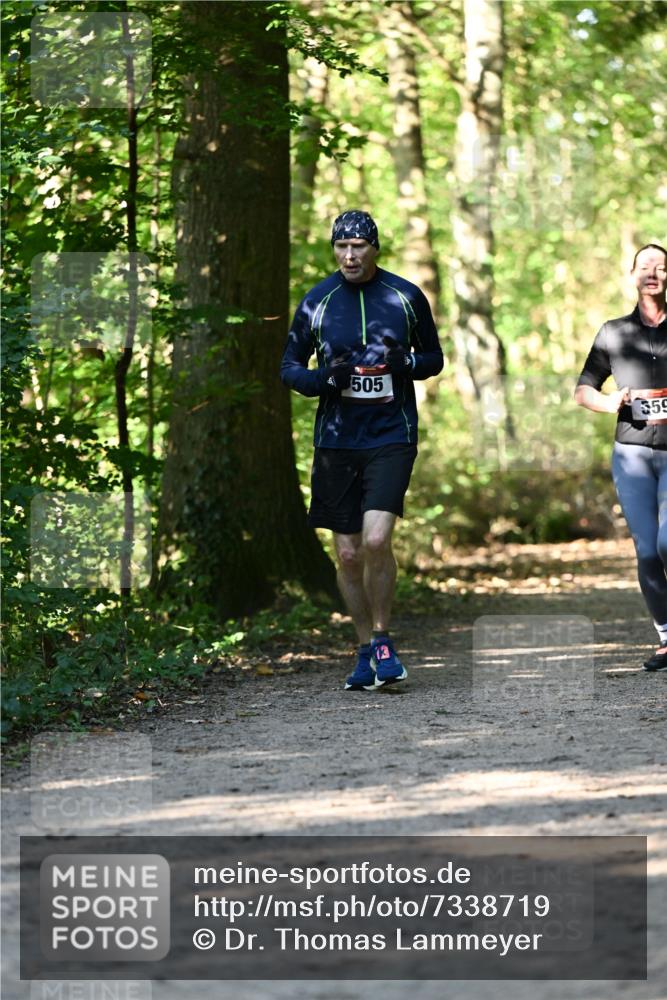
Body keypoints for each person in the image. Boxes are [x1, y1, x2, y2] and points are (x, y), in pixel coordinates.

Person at [280, 210, 443, 690]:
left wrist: (405, 362)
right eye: (342, 247)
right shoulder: (317, 301)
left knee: (375, 541)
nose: (350, 255)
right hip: (335, 441)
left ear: (374, 249)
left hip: (392, 435)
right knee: (348, 554)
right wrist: (319, 380)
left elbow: (433, 358)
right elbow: (290, 365)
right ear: (334, 249)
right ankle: (363, 650)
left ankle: (384, 638)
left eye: (358, 246)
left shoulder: (405, 296)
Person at [575, 242, 667, 671]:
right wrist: (609, 402)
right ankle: (666, 637)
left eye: (662, 267)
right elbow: (583, 389)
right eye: (645, 266)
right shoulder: (613, 332)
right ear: (632, 275)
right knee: (648, 550)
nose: (653, 273)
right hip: (631, 454)